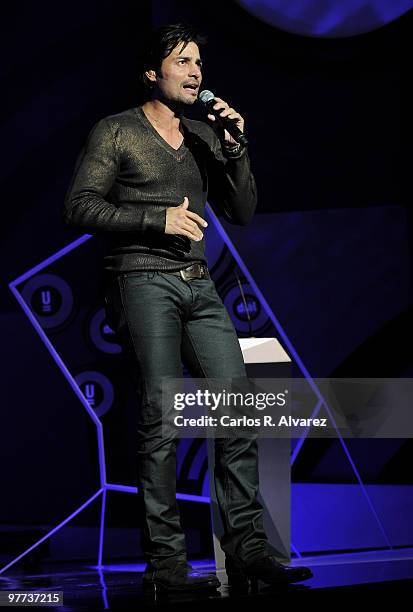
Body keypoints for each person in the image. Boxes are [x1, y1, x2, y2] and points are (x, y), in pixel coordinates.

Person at [63, 23, 312, 593]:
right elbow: (78, 206)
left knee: (236, 406)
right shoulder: (118, 131)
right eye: (182, 61)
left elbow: (243, 211)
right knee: (162, 411)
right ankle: (167, 567)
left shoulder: (204, 134)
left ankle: (249, 556)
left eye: (199, 62)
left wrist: (236, 146)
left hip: (199, 285)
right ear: (153, 72)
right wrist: (157, 218)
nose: (196, 71)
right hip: (140, 278)